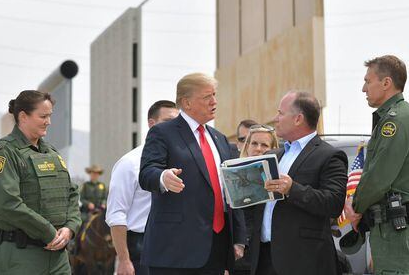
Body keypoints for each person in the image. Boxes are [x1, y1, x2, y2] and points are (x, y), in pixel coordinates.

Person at [139, 73, 246, 275]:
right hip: (175, 250)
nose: (214, 101)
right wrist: (163, 177)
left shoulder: (220, 139)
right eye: (207, 97)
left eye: (214, 95)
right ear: (186, 102)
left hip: (216, 247)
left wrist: (239, 237)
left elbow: (230, 190)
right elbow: (147, 173)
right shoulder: (162, 133)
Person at [251, 91, 348, 275]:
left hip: (303, 261)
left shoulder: (329, 156)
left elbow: (334, 203)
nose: (275, 118)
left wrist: (292, 189)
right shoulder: (273, 155)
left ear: (298, 119)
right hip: (264, 258)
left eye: (280, 113)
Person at [0, 90, 81, 274]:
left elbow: (72, 193)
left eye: (49, 116)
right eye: (43, 116)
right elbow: (8, 203)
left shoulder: (51, 152)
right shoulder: (6, 152)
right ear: (23, 116)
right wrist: (49, 232)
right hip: (20, 256)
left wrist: (69, 228)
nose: (48, 122)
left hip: (58, 257)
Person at [345, 55, 409, 273]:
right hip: (392, 231)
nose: (364, 88)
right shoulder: (397, 117)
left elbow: (379, 178)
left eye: (368, 81)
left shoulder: (395, 121)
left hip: (396, 233)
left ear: (386, 83)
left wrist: (355, 207)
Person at [106, 100, 179, 275]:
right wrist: (124, 260)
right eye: (168, 121)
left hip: (175, 247)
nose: (174, 127)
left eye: (177, 122)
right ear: (152, 124)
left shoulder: (182, 160)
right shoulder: (130, 164)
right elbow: (116, 214)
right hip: (140, 248)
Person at [234, 124, 279, 275]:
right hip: (239, 253)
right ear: (246, 146)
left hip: (267, 254)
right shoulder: (231, 173)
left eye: (264, 145)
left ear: (274, 148)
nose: (258, 148)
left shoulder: (281, 177)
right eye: (254, 143)